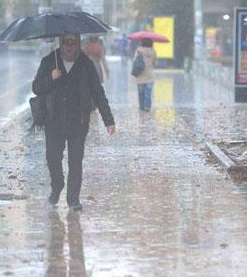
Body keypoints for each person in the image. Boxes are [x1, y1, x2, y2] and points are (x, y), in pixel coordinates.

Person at [32, 34, 116, 211]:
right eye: (66, 42)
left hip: (78, 121)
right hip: (53, 121)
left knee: (76, 161)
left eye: (73, 42)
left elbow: (98, 93)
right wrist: (51, 78)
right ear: (61, 43)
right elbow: (37, 88)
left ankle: (73, 199)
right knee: (53, 159)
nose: (69, 46)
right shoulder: (49, 61)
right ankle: (57, 185)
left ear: (78, 43)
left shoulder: (86, 64)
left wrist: (108, 120)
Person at [134, 38, 156, 111]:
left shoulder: (138, 51)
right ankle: (147, 107)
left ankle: (141, 106)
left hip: (140, 74)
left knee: (141, 93)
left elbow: (135, 60)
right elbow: (154, 62)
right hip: (150, 74)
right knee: (148, 93)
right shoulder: (153, 51)